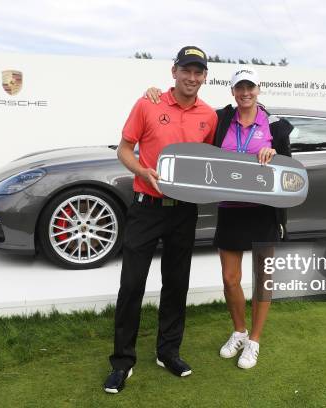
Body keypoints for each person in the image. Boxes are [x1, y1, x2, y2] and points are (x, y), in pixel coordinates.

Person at [144, 67, 293, 369]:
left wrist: (274, 152)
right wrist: (156, 95)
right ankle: (239, 331)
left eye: (250, 87)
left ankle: (255, 341)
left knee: (262, 280)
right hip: (230, 210)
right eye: (240, 88)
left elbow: (288, 168)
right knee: (230, 278)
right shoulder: (222, 119)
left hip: (262, 211)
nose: (245, 93)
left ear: (258, 89)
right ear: (233, 91)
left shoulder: (274, 126)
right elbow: (188, 117)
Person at [104, 46, 217, 394]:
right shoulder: (147, 104)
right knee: (132, 285)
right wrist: (142, 170)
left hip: (184, 211)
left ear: (205, 77)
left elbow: (206, 161)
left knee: (176, 283)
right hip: (146, 206)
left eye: (199, 72)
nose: (192, 78)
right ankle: (122, 363)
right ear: (174, 71)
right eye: (187, 70)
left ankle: (168, 352)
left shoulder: (208, 116)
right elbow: (124, 148)